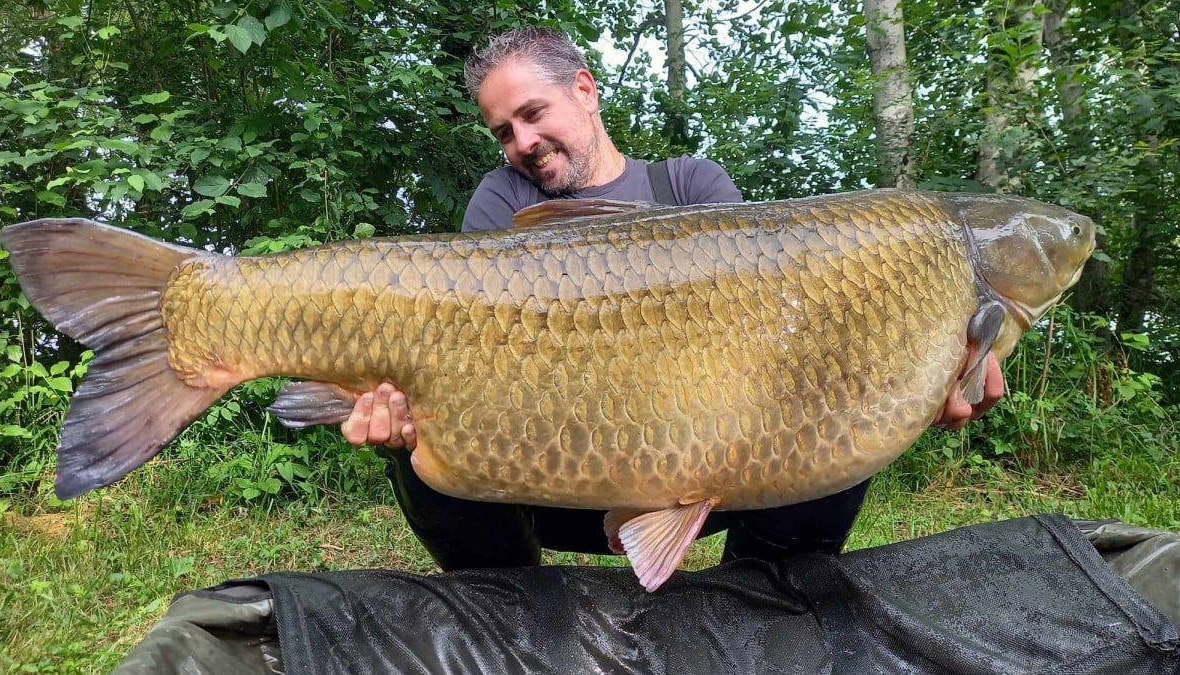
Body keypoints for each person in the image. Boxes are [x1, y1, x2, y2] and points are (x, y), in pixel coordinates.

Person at [341, 26, 1005, 571]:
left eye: (532, 113)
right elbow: (471, 351)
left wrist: (936, 362)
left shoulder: (690, 186)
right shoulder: (502, 201)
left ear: (584, 90)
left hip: (714, 470)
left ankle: (764, 599)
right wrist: (399, 408)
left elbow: (777, 326)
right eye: (504, 131)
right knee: (414, 442)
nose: (522, 142)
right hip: (550, 469)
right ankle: (510, 606)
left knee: (837, 415)